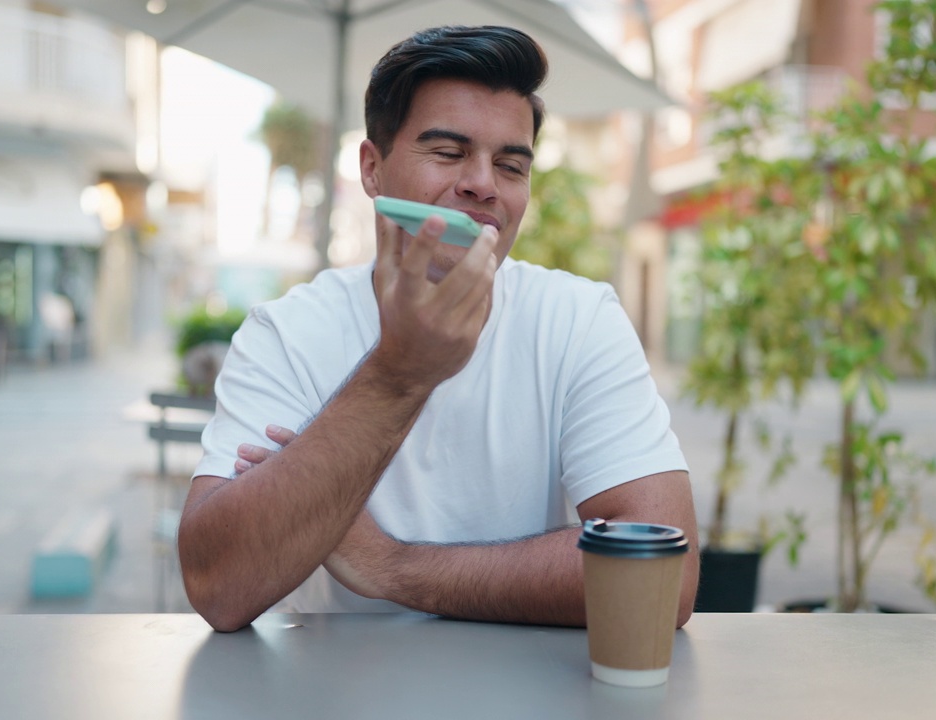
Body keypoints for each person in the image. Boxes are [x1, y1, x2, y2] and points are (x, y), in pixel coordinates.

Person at [180, 25, 698, 633]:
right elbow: (216, 585)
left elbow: (662, 576)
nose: (483, 184)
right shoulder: (287, 333)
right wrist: (398, 372)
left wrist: (395, 568)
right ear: (373, 170)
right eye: (448, 153)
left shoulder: (578, 319)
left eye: (510, 164)